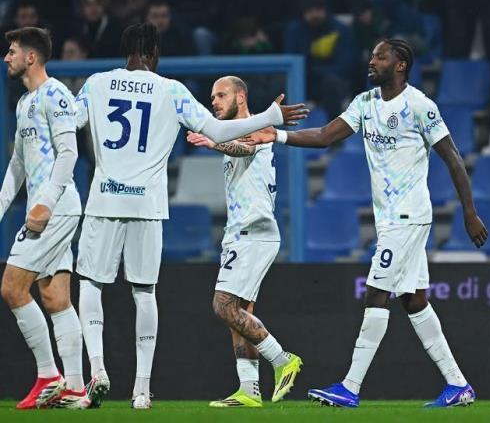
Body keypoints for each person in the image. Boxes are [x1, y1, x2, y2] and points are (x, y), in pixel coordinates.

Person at [74, 22, 307, 409]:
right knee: (152, 293)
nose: (214, 100)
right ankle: (149, 390)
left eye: (221, 94)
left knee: (93, 285)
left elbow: (69, 122)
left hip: (107, 200)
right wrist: (269, 117)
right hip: (151, 206)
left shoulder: (96, 83)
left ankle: (95, 369)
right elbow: (215, 128)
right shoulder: (171, 90)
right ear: (154, 53)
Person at [245, 38, 488, 408]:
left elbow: (453, 157)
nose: (372, 61)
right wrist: (276, 135)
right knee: (413, 300)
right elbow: (325, 136)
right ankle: (458, 385)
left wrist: (469, 212)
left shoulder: (419, 105)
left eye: (381, 56)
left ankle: (350, 386)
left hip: (408, 215)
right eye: (372, 55)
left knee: (376, 292)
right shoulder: (365, 103)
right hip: (389, 219)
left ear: (401, 64)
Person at [186, 76, 302, 407]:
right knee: (238, 314)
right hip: (239, 232)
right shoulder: (235, 131)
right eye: (212, 96)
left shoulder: (257, 128)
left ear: (241, 96)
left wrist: (214, 144)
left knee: (223, 306)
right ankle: (249, 389)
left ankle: (282, 360)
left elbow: (244, 148)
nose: (214, 101)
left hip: (255, 231)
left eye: (221, 95)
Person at [0, 27, 88, 409]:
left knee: (12, 287)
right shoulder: (24, 103)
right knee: (54, 297)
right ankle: (76, 388)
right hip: (44, 207)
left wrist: (47, 203)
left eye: (12, 51)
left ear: (31, 57)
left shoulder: (57, 94)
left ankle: (49, 375)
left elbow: (69, 153)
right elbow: (17, 165)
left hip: (56, 207)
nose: (7, 57)